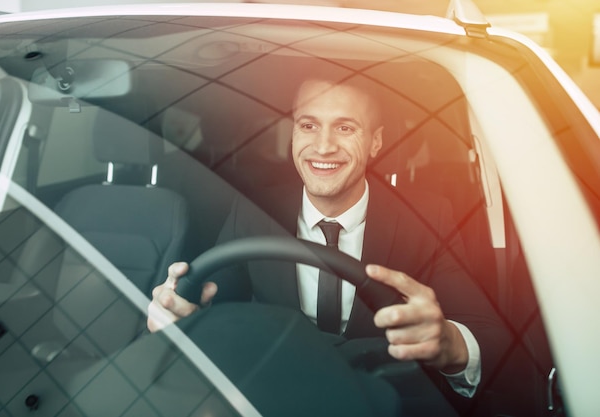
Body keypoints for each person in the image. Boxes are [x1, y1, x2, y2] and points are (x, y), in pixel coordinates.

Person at [148, 76, 508, 401]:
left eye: (345, 128)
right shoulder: (254, 211)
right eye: (308, 125)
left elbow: (490, 337)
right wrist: (180, 308)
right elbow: (214, 294)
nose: (323, 146)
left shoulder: (430, 218)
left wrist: (448, 342)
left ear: (375, 142)